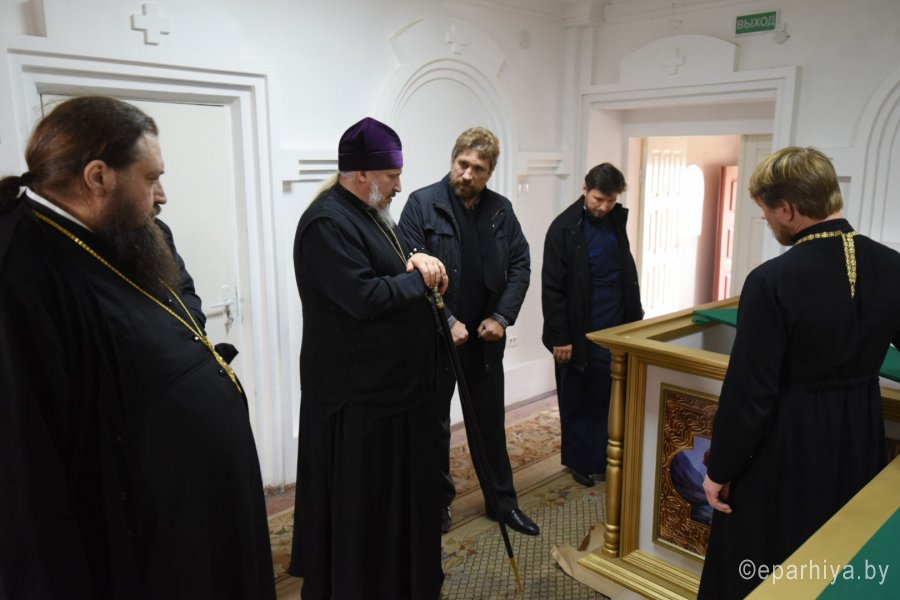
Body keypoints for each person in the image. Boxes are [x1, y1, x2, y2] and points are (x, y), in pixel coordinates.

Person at [0, 96, 275, 599]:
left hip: (194, 503)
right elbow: (27, 468)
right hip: (141, 532)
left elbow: (178, 303)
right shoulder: (20, 268)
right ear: (98, 177)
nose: (162, 194)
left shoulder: (130, 231)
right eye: (151, 178)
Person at [698, 146, 900, 598]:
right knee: (839, 558)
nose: (765, 219)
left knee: (766, 562)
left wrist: (720, 469)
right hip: (860, 435)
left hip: (787, 444)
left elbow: (750, 392)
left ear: (787, 209)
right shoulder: (893, 265)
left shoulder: (771, 279)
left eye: (766, 210)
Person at [288, 117, 448, 599]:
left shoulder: (370, 212)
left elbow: (387, 265)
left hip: (391, 394)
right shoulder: (327, 223)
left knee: (392, 510)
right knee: (362, 515)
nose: (399, 186)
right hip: (356, 402)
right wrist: (419, 279)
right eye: (392, 176)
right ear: (362, 174)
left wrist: (415, 259)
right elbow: (362, 297)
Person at [399, 127, 538, 536]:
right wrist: (447, 322)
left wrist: (502, 317)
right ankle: (436, 506)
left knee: (490, 425)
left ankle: (503, 504)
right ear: (452, 159)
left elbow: (521, 264)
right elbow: (407, 270)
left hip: (484, 341)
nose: (467, 174)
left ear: (489, 172)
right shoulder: (421, 204)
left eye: (478, 169)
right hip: (437, 342)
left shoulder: (500, 210)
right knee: (434, 429)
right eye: (463, 164)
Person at [541, 163, 643, 487]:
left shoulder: (615, 220)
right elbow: (552, 287)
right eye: (599, 199)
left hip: (615, 319)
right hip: (578, 327)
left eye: (611, 201)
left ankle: (607, 456)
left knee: (609, 394)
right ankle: (580, 461)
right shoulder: (563, 227)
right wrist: (561, 337)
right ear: (585, 189)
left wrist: (635, 318)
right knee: (578, 395)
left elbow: (626, 271)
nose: (604, 207)